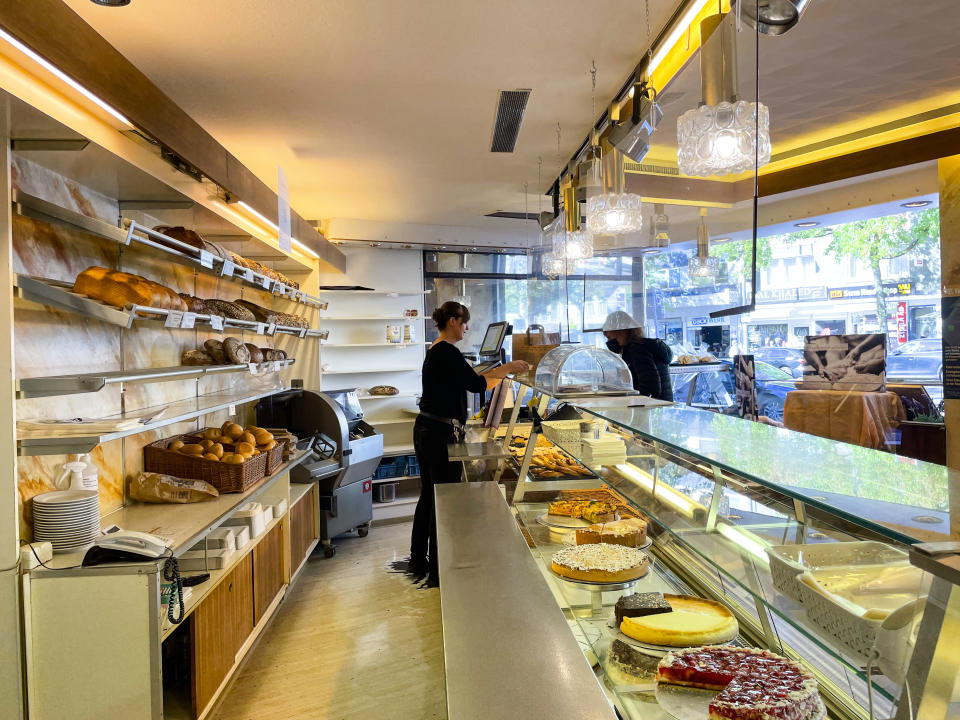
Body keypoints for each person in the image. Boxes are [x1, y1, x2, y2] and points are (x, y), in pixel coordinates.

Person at [409, 301, 530, 586]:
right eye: (464, 323)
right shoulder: (446, 351)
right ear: (452, 321)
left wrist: (495, 373)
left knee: (429, 496)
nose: (466, 329)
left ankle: (418, 559)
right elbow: (476, 385)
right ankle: (439, 572)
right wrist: (507, 369)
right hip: (439, 434)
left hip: (427, 429)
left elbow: (472, 379)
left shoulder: (437, 350)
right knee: (443, 501)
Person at [602, 311, 673, 401]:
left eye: (610, 338)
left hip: (655, 406)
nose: (609, 342)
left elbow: (650, 387)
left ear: (622, 332)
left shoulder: (637, 349)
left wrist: (631, 401)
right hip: (661, 404)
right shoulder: (635, 348)